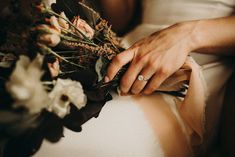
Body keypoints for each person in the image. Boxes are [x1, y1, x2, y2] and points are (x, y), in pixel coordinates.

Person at [36, 0, 235, 156]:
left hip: (190, 74)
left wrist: (187, 35)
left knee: (61, 143)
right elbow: (122, 17)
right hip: (127, 50)